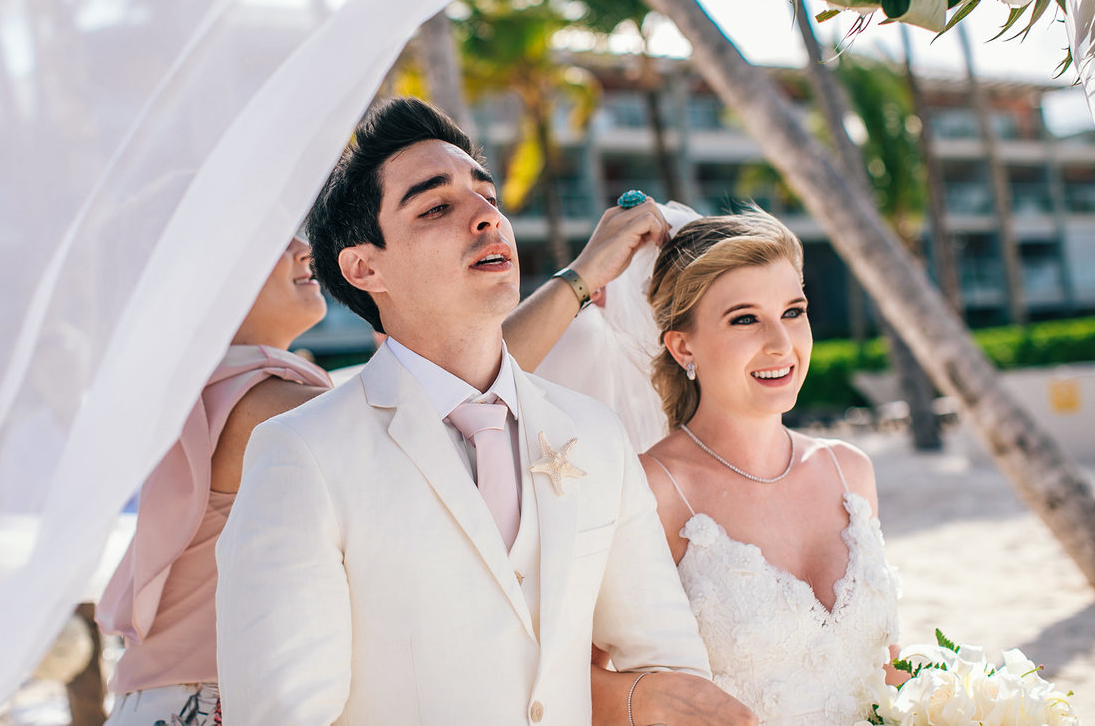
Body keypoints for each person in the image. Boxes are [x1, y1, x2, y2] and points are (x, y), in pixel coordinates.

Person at [214, 97, 755, 725]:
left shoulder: (595, 434)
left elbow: (670, 668)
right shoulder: (302, 453)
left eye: (488, 196)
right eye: (436, 207)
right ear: (364, 267)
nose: (486, 217)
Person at [599, 209, 900, 726]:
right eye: (745, 318)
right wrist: (648, 700)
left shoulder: (849, 471)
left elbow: (886, 673)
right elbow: (568, 676)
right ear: (683, 346)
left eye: (793, 311)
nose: (782, 344)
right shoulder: (653, 491)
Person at [96, 236, 334, 726]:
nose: (304, 247)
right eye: (273, 237)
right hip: (204, 701)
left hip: (176, 697)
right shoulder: (253, 402)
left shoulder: (207, 389)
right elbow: (416, 434)